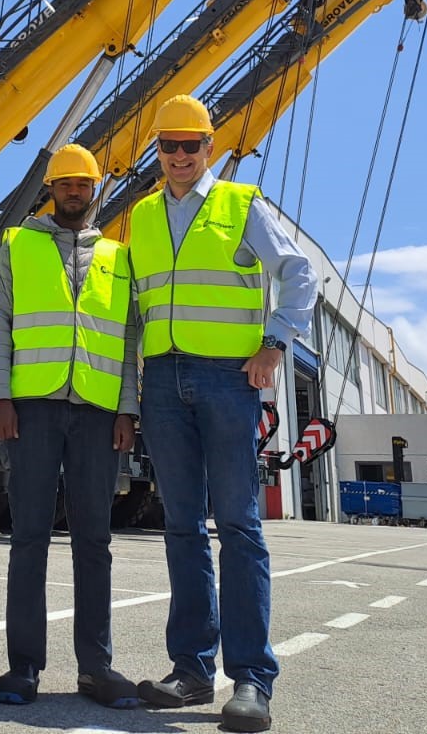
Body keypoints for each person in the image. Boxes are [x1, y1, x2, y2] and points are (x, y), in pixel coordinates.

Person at [128, 96, 318, 734]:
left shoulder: (241, 204)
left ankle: (251, 680)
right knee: (182, 527)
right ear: (156, 151)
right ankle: (190, 671)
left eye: (192, 145)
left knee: (238, 526)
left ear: (210, 147)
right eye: (169, 146)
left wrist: (274, 342)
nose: (180, 156)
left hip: (227, 379)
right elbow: (133, 309)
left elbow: (298, 272)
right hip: (162, 380)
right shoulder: (143, 216)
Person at [0, 145, 141, 710]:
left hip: (98, 412)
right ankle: (23, 666)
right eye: (65, 183)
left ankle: (96, 667)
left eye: (83, 184)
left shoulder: (119, 256)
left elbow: (128, 339)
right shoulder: (18, 245)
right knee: (28, 536)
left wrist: (127, 409)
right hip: (32, 407)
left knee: (94, 542)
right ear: (52, 188)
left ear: (96, 190)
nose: (74, 192)